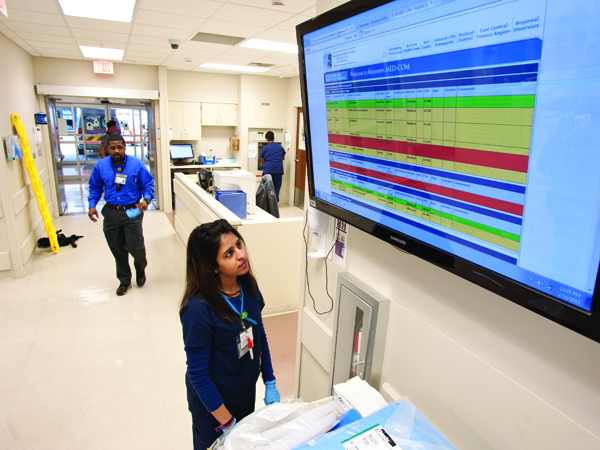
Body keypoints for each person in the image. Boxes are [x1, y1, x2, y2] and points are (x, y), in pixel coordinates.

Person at [180, 219, 281, 449]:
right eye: (228, 253)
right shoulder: (198, 309)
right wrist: (227, 423)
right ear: (211, 265)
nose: (241, 254)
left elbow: (258, 333)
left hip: (244, 389)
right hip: (213, 406)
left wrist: (270, 379)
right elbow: (199, 376)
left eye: (239, 245)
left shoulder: (248, 286)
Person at [88, 134, 154, 296]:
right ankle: (125, 280)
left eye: (119, 147)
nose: (116, 150)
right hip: (111, 212)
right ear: (107, 149)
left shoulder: (136, 164)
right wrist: (92, 205)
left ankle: (140, 268)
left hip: (132, 211)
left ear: (125, 147)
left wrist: (146, 199)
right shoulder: (101, 166)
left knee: (135, 246)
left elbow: (148, 184)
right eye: (113, 148)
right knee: (117, 248)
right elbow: (95, 187)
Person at [259, 131, 286, 202]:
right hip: (278, 169)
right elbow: (283, 158)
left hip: (268, 169)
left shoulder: (265, 148)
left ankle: (268, 202)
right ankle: (275, 202)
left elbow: (263, 159)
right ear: (274, 138)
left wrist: (264, 167)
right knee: (276, 186)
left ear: (267, 139)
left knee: (268, 186)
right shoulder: (280, 147)